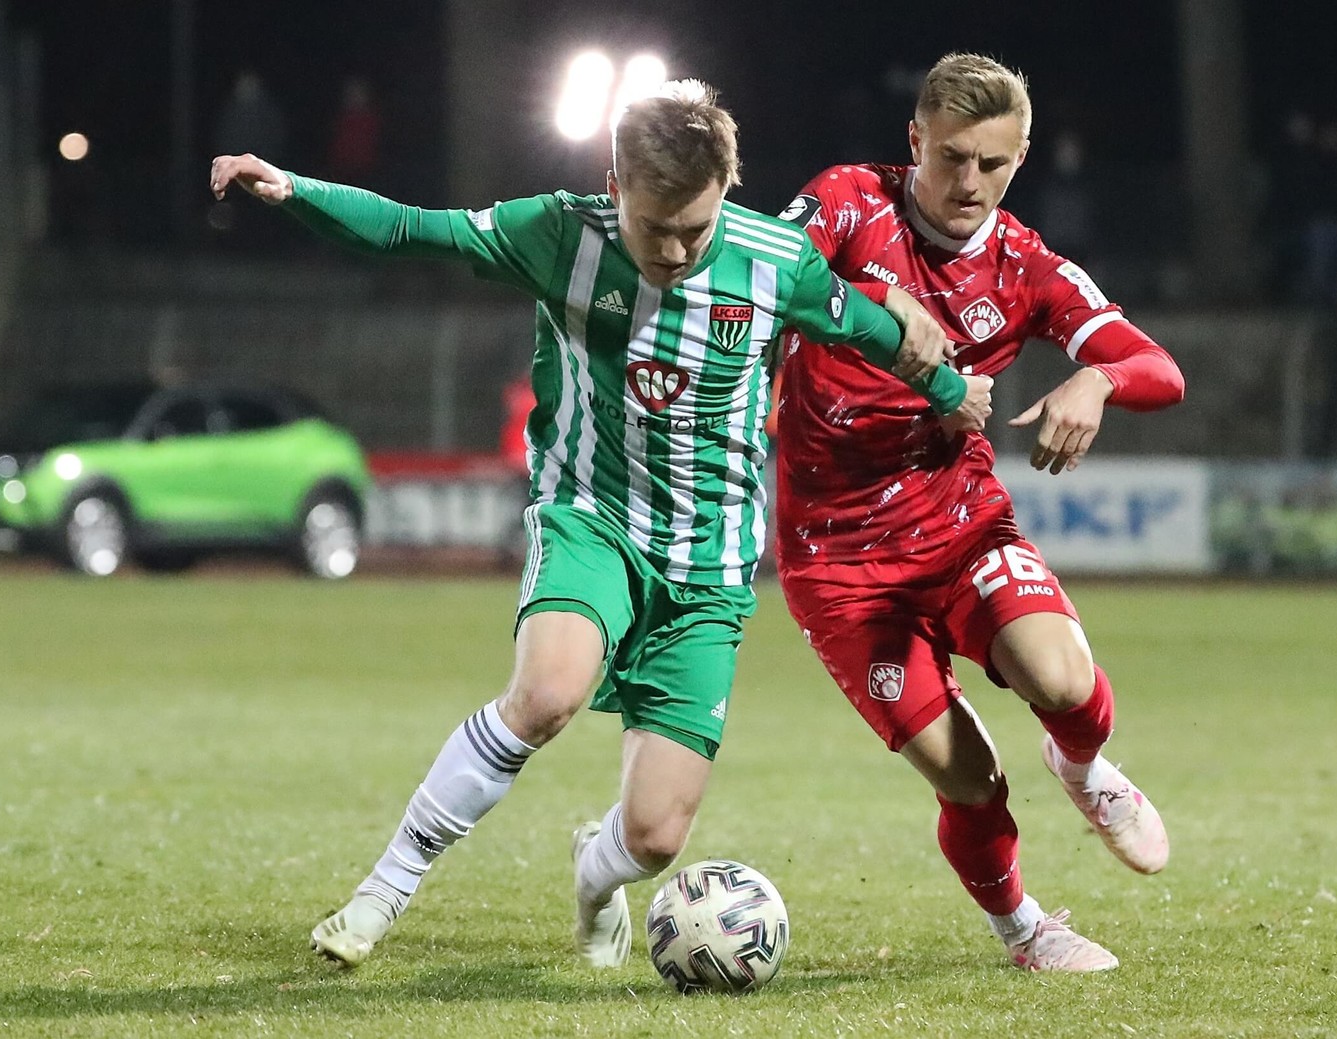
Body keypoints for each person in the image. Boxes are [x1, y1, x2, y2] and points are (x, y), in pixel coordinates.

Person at [209, 80, 994, 969]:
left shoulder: (776, 261)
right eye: (655, 227)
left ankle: (595, 872)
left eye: (695, 229)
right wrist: (296, 190)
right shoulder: (559, 234)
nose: (675, 250)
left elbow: (867, 331)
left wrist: (950, 391)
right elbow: (412, 230)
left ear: (726, 193)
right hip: (593, 513)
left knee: (655, 837)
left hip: (709, 562)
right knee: (547, 694)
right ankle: (381, 892)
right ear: (614, 185)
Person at [771, 54, 1184, 973]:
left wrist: (1097, 381)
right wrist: (881, 304)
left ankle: (1081, 767)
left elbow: (1160, 368)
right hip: (836, 561)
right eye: (951, 157)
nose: (969, 182)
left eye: (992, 164)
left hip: (958, 525)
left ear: (1021, 157)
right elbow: (763, 268)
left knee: (1062, 681)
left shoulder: (1024, 266)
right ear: (914, 139)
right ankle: (1025, 930)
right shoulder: (849, 202)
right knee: (968, 776)